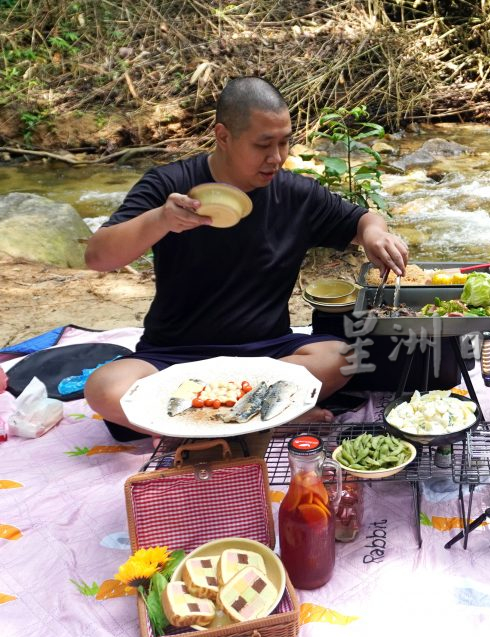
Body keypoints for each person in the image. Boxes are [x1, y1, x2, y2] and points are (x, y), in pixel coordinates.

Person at [83, 76, 408, 440]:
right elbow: (98, 256)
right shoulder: (169, 185)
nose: (277, 157)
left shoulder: (295, 194)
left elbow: (362, 219)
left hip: (266, 355)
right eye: (263, 144)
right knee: (104, 387)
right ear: (223, 136)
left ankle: (194, 428)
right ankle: (264, 421)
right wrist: (160, 220)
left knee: (345, 356)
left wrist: (375, 234)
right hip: (174, 355)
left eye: (285, 142)